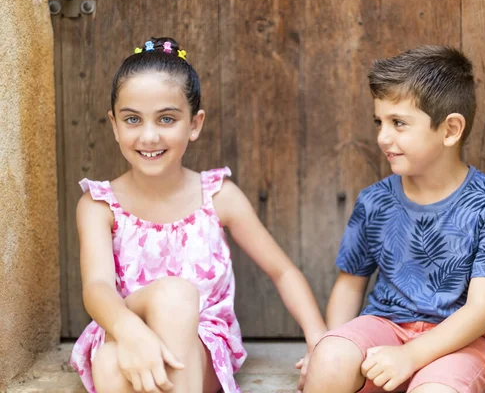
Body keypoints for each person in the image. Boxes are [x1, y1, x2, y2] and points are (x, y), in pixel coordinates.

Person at [70, 37, 326, 393]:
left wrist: (319, 342)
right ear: (114, 125)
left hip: (201, 343)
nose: (148, 135)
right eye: (132, 119)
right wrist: (132, 333)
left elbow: (282, 271)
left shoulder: (218, 197)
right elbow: (97, 288)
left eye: (166, 119)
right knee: (112, 360)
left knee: (174, 297)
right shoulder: (99, 205)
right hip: (123, 330)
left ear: (194, 124)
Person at [297, 45, 485, 393]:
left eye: (399, 123)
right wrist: (325, 345)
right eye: (380, 122)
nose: (382, 137)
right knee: (329, 361)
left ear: (450, 130)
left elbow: (481, 310)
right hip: (383, 326)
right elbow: (349, 285)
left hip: (459, 342)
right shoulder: (375, 200)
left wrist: (411, 356)